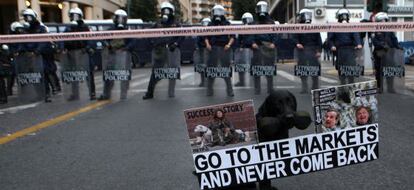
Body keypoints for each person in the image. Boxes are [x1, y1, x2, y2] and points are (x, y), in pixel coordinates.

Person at [143, 1, 182, 99]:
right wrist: (152, 43)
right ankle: (149, 92)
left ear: (172, 11)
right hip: (159, 50)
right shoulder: (158, 23)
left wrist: (176, 44)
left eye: (167, 11)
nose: (165, 13)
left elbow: (182, 35)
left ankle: (171, 92)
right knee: (156, 71)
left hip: (171, 50)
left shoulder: (176, 23)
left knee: (172, 71)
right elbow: (148, 33)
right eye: (164, 11)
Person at [19, 9, 55, 102]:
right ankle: (39, 94)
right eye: (26, 17)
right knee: (33, 76)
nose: (27, 19)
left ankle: (46, 94)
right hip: (29, 56)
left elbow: (44, 41)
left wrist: (37, 51)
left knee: (43, 74)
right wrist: (22, 51)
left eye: (29, 17)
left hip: (39, 55)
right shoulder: (25, 30)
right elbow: (21, 42)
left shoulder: (41, 28)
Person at [60, 7, 96, 100]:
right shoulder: (68, 28)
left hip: (83, 53)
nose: (74, 18)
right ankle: (75, 94)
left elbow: (91, 40)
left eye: (76, 16)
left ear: (80, 16)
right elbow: (62, 39)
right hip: (71, 54)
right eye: (72, 16)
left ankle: (92, 93)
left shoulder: (85, 27)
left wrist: (87, 48)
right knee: (74, 74)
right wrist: (62, 47)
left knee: (88, 73)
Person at [98, 9, 134, 100]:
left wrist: (126, 48)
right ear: (115, 18)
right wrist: (107, 45)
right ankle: (106, 94)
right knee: (109, 74)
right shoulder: (110, 30)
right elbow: (103, 39)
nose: (120, 20)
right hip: (112, 55)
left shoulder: (128, 31)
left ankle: (123, 94)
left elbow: (133, 42)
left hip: (124, 55)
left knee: (124, 75)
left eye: (123, 18)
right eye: (119, 18)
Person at [247, 1, 278, 94]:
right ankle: (257, 89)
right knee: (257, 69)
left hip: (268, 48)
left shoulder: (271, 22)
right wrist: (252, 43)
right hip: (257, 48)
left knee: (269, 69)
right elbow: (249, 35)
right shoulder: (253, 23)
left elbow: (275, 35)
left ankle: (270, 88)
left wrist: (273, 43)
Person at [204, 4, 234, 97]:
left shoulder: (227, 23)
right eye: (215, 12)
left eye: (219, 12)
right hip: (212, 49)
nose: (217, 14)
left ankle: (230, 91)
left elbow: (232, 36)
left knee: (226, 70)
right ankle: (209, 90)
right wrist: (208, 44)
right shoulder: (210, 23)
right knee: (211, 70)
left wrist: (228, 45)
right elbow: (205, 37)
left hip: (224, 49)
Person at [327, 8, 362, 85]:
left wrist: (358, 44)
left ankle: (351, 86)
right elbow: (330, 39)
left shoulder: (351, 26)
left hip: (350, 50)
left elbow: (356, 35)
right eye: (342, 16)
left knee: (351, 69)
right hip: (340, 50)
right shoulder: (334, 26)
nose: (344, 18)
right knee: (342, 70)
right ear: (338, 17)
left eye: (345, 16)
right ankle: (343, 87)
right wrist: (332, 46)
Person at [293, 9, 322, 93]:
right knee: (302, 70)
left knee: (315, 70)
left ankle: (315, 87)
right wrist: (297, 43)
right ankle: (304, 87)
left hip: (312, 51)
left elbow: (318, 40)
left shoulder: (314, 27)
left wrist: (319, 51)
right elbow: (294, 38)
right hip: (302, 51)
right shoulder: (298, 27)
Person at [372, 12, 401, 93]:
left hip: (389, 53)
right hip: (380, 54)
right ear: (378, 21)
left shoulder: (390, 30)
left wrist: (398, 46)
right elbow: (374, 41)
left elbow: (394, 39)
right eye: (382, 20)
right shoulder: (375, 30)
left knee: (390, 71)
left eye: (385, 20)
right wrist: (382, 45)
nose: (384, 22)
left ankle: (390, 88)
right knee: (379, 71)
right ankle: (379, 87)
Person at [233, 12, 254, 87]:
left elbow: (252, 39)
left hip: (251, 50)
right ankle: (241, 82)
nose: (246, 21)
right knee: (240, 66)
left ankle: (253, 82)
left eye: (248, 20)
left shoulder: (254, 28)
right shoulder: (241, 28)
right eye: (245, 20)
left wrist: (250, 44)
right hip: (243, 50)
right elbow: (239, 39)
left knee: (252, 67)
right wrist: (239, 47)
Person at [195, 17, 211, 87]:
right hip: (202, 51)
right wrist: (197, 48)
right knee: (202, 67)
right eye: (205, 23)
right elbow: (197, 41)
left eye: (207, 23)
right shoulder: (201, 32)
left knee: (210, 66)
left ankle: (209, 81)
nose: (206, 25)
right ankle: (203, 81)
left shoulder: (212, 31)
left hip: (210, 51)